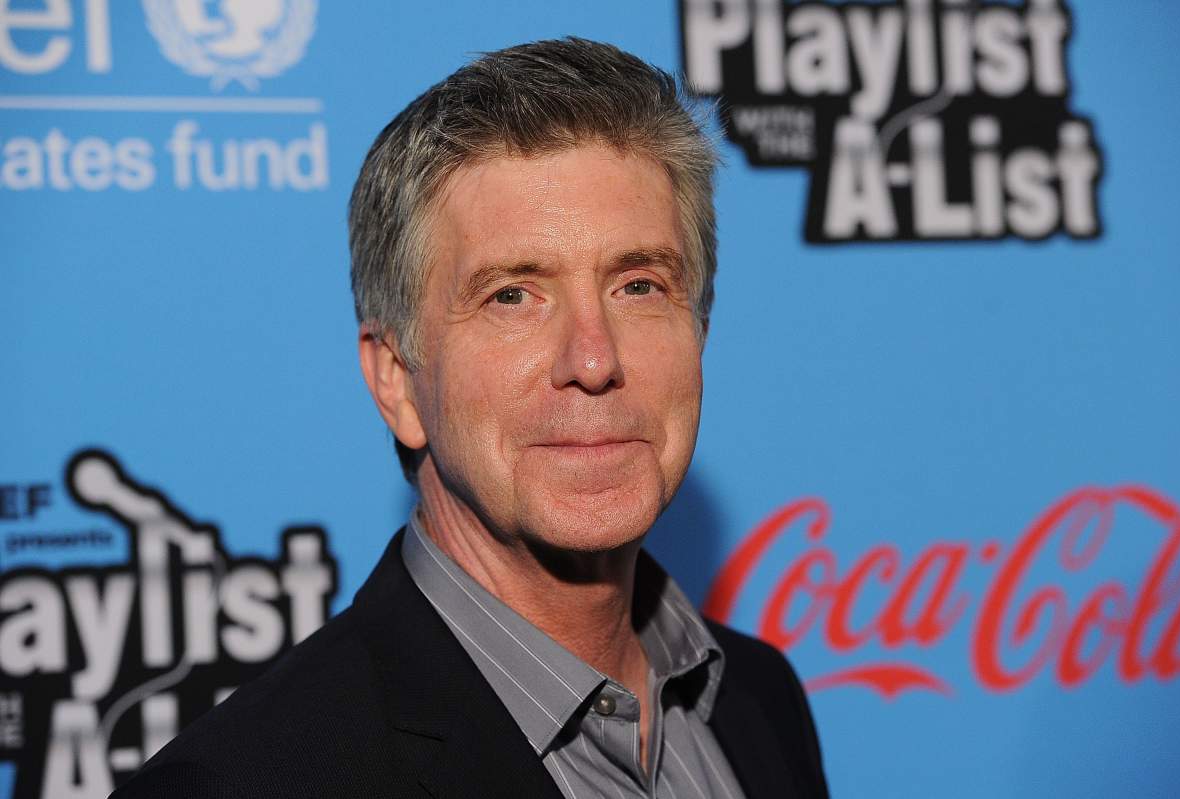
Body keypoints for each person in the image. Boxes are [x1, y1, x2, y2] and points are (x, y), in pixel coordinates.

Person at [113, 37, 829, 799]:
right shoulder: (242, 783)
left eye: (639, 286)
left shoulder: (758, 696)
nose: (593, 359)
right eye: (512, 296)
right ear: (396, 380)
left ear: (700, 331)